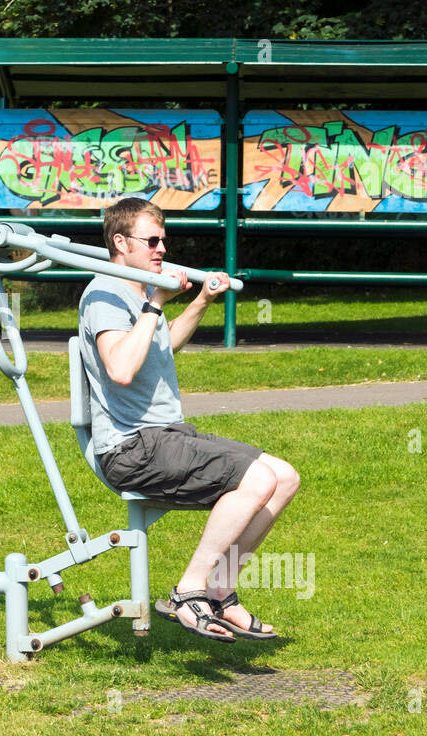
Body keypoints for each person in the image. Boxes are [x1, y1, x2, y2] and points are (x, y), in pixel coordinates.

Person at [78, 197, 300, 642]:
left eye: (164, 240)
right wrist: (156, 301)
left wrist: (200, 301)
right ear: (120, 242)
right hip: (131, 447)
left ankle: (219, 590)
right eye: (152, 240)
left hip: (166, 436)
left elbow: (159, 344)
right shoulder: (105, 293)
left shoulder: (140, 291)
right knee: (256, 480)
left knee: (285, 476)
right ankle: (187, 590)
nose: (162, 248)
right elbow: (121, 368)